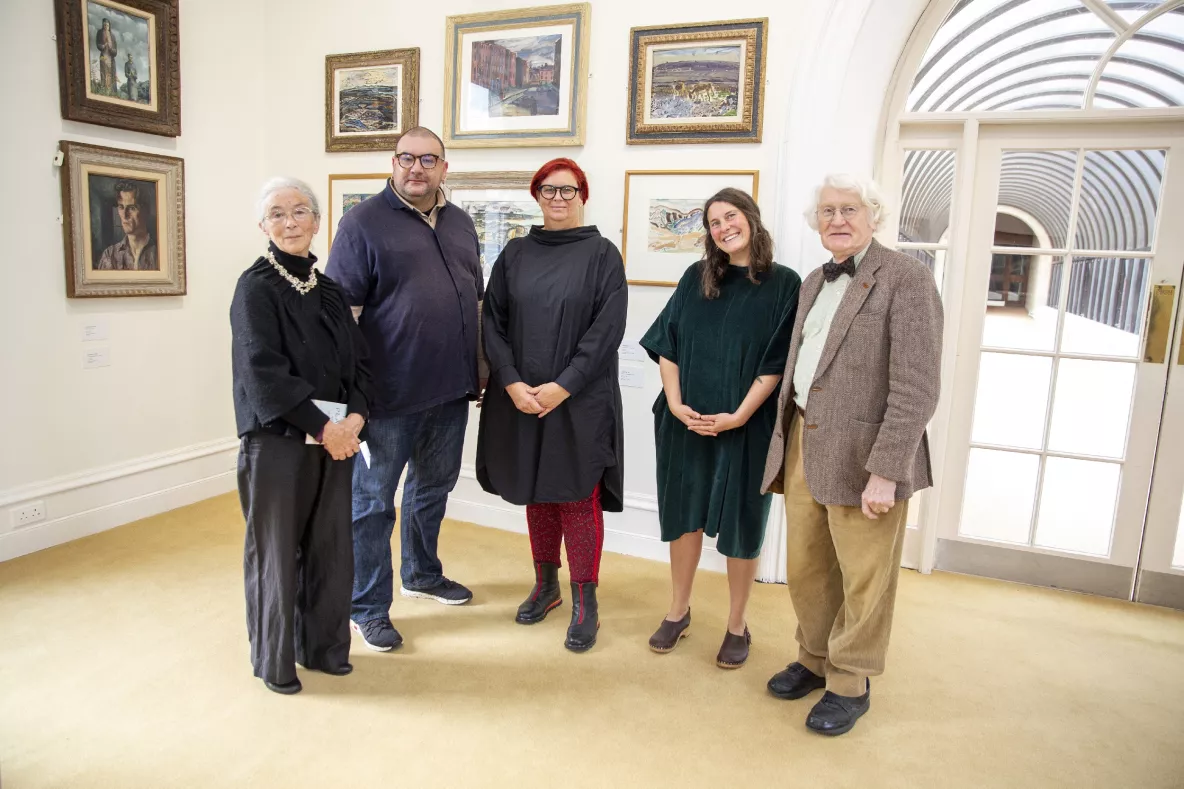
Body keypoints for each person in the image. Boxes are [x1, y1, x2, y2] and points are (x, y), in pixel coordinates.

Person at [761, 174, 943, 736]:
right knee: (807, 567)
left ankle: (850, 681)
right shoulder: (814, 280)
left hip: (868, 454)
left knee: (865, 575)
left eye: (849, 209)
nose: (837, 220)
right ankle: (815, 658)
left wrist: (886, 470)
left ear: (874, 215)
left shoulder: (907, 280)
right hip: (802, 442)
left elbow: (917, 387)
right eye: (827, 211)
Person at [326, 127, 485, 653]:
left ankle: (422, 573)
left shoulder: (462, 224)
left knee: (431, 490)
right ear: (393, 164)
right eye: (406, 158)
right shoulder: (362, 223)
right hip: (385, 398)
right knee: (371, 504)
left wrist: (480, 367)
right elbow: (342, 317)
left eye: (428, 160)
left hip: (449, 390)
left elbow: (475, 304)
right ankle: (367, 608)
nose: (416, 168)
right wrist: (350, 397)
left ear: (445, 167)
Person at [641, 188, 800, 669]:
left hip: (746, 426)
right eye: (713, 222)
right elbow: (667, 345)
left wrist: (740, 415)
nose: (724, 227)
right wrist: (675, 403)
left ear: (750, 218)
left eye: (731, 216)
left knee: (742, 523)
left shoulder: (785, 284)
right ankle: (678, 610)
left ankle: (736, 623)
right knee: (683, 515)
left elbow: (776, 364)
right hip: (684, 422)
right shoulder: (696, 277)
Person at [477, 158, 627, 652]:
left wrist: (563, 386)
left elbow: (606, 331)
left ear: (582, 194)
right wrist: (511, 381)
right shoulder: (515, 253)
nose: (557, 198)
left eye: (566, 190)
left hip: (578, 398)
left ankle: (587, 599)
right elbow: (492, 322)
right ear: (536, 196)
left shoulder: (603, 255)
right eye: (547, 190)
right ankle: (546, 585)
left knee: (575, 494)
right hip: (519, 397)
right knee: (536, 490)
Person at [230, 177, 373, 695]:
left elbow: (361, 365)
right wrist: (324, 428)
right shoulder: (255, 288)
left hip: (337, 440)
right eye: (277, 214)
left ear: (317, 220)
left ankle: (325, 649)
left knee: (331, 548)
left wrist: (355, 420)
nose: (290, 222)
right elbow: (263, 372)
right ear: (263, 226)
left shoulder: (330, 290)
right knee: (275, 552)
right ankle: (276, 662)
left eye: (300, 212)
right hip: (278, 441)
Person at [96, 180, 158, 271]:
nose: (124, 215)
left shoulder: (160, 252)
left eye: (132, 208)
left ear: (146, 211)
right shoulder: (110, 255)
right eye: (121, 207)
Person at [96, 19, 117, 93]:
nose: (106, 26)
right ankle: (104, 90)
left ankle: (112, 92)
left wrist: (111, 49)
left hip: (111, 58)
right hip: (104, 56)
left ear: (109, 26)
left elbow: (115, 50)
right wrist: (103, 45)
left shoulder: (113, 36)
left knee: (111, 74)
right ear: (102, 25)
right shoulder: (100, 32)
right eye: (104, 25)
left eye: (107, 25)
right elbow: (98, 44)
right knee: (104, 73)